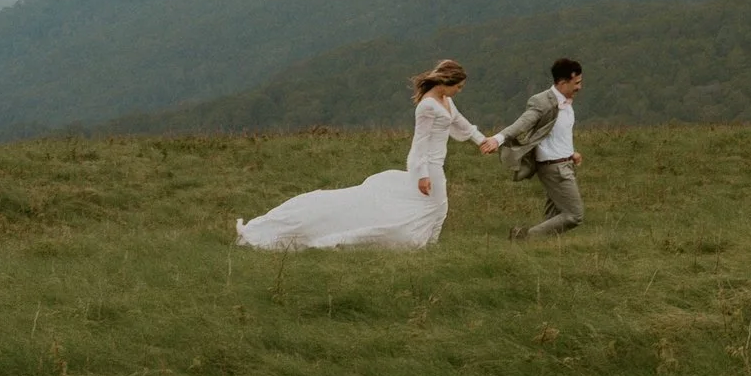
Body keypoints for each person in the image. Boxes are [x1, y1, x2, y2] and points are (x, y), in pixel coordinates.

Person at [235, 59, 494, 250]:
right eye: (458, 87)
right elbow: (419, 144)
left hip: (436, 164)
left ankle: (430, 245)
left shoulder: (445, 101)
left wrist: (482, 140)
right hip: (429, 165)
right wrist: (422, 175)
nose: (459, 91)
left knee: (436, 209)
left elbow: (460, 122)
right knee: (438, 207)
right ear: (446, 83)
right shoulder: (427, 106)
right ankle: (427, 246)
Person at [494, 57, 587, 240]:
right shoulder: (543, 102)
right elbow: (523, 123)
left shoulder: (566, 103)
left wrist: (571, 153)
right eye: (576, 83)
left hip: (564, 163)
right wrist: (498, 138)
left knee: (554, 216)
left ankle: (542, 250)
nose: (579, 87)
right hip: (555, 168)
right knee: (574, 215)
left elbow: (556, 133)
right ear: (562, 82)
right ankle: (524, 237)